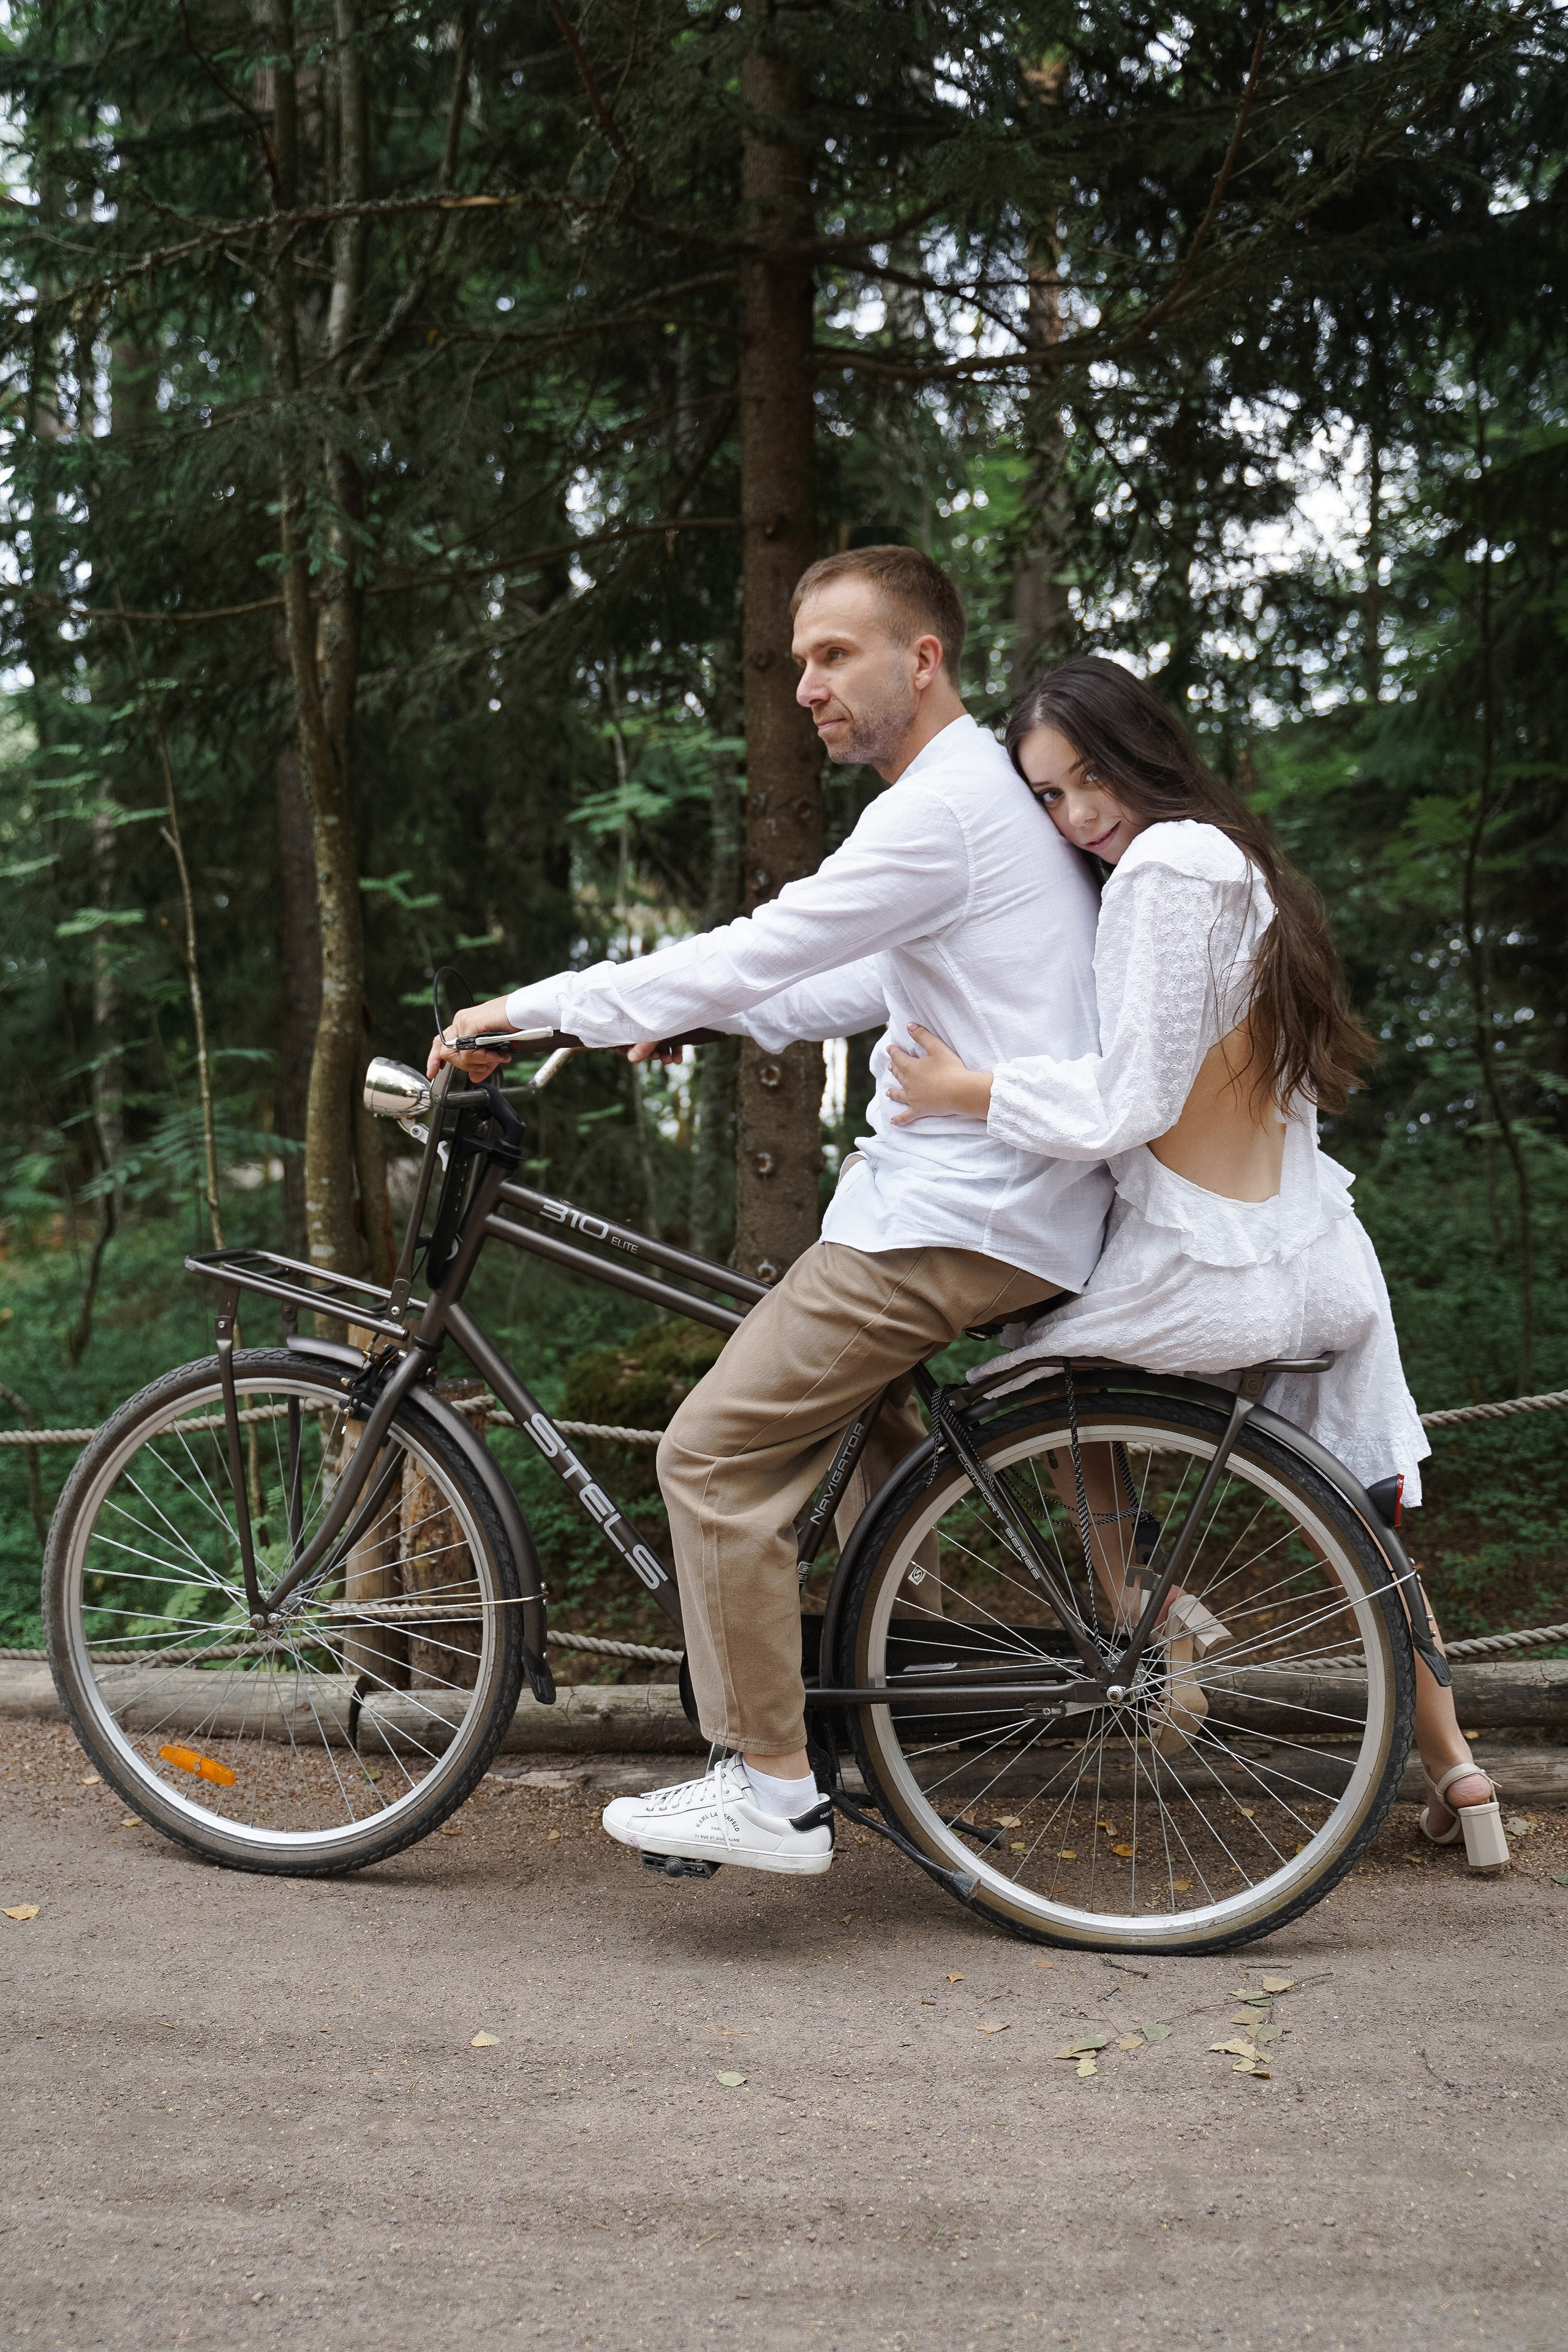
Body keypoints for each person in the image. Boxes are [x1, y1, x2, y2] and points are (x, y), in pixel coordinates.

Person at [429, 545, 1114, 1876]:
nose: (804, 684)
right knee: (865, 1461)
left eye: (833, 655)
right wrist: (700, 1015)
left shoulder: (942, 807)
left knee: (710, 1460)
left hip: (948, 1221)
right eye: (797, 661)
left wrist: (531, 1006)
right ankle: (878, 1711)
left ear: (923, 661)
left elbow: (764, 945)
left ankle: (771, 1786)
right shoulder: (964, 802)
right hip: (992, 1207)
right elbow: (842, 984)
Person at [884, 655, 1509, 1875]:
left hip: (1210, 1272)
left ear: (1140, 750)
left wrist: (965, 1089)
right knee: (1365, 1522)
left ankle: (1138, 1607)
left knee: (1028, 1385)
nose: (1077, 816)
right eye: (1050, 798)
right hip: (1312, 1249)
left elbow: (1127, 1100)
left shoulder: (1167, 869)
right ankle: (1460, 1773)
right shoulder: (1240, 869)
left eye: (1087, 779)